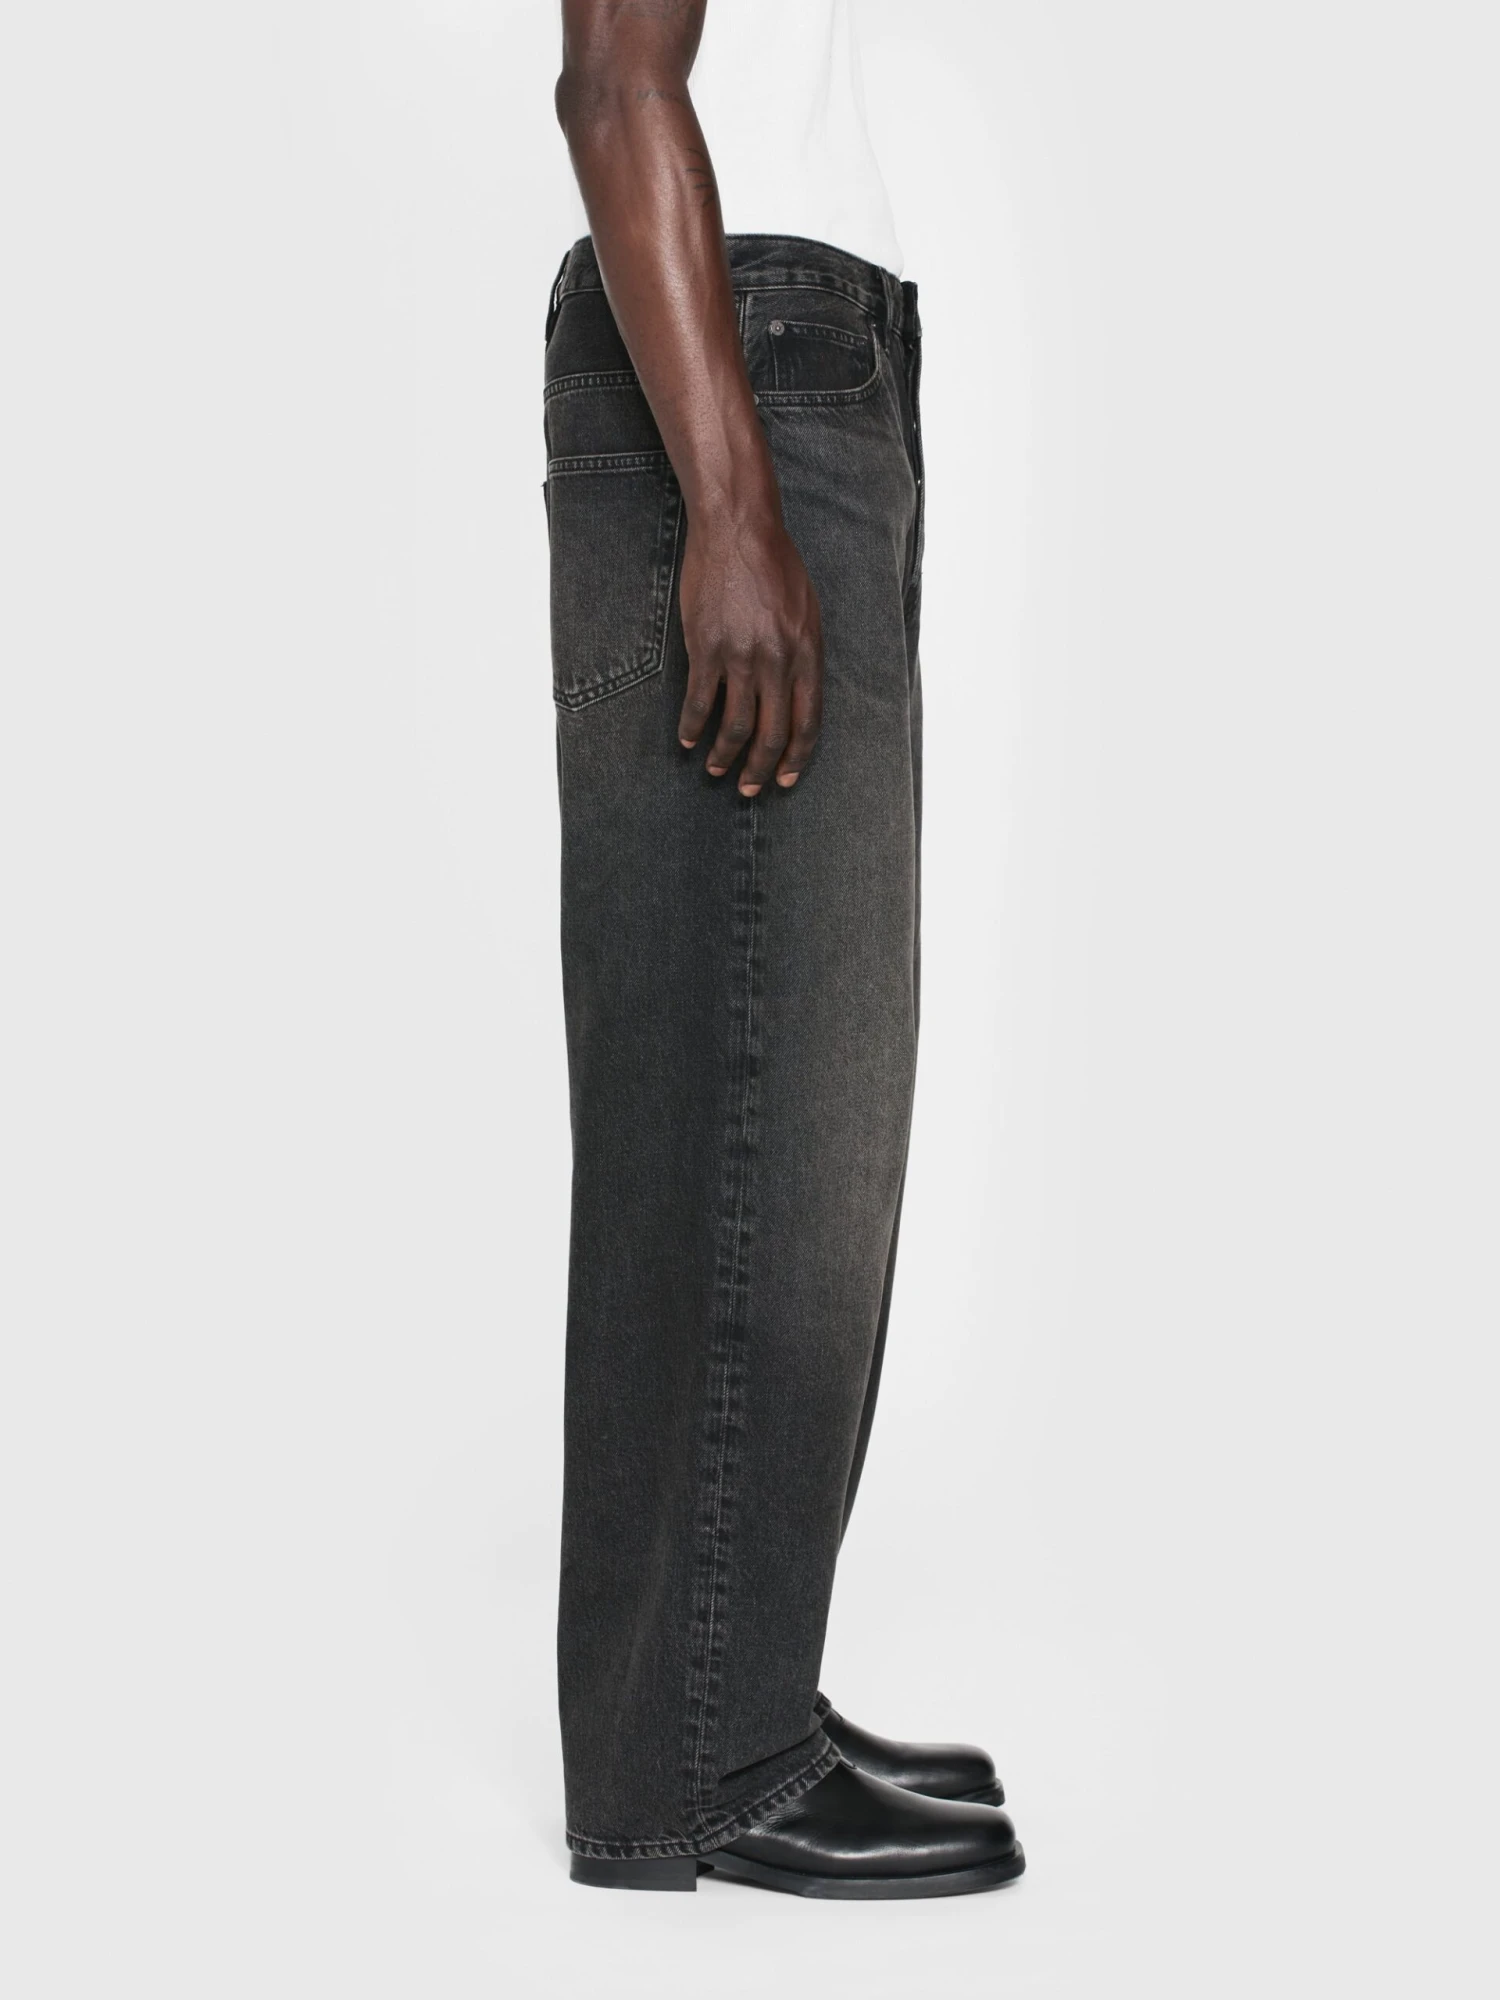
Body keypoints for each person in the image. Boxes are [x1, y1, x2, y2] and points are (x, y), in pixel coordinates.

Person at [545, 0, 1024, 1899]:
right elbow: (613, 79)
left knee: (801, 1096)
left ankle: (738, 1693)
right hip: (729, 364)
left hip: (798, 350)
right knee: (747, 1096)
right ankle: (700, 1762)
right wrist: (734, 502)